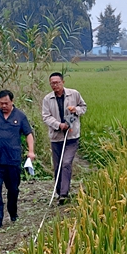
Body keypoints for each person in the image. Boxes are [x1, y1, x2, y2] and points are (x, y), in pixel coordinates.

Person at [0, 90, 36, 230]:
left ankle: (13, 213)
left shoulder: (20, 116)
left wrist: (31, 151)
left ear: (12, 102)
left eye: (6, 103)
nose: (3, 106)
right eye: (1, 103)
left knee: (13, 189)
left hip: (13, 160)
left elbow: (28, 134)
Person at [41, 72, 87, 204]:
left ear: (63, 82)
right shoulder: (47, 99)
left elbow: (83, 107)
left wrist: (76, 110)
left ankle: (63, 193)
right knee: (58, 165)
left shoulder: (74, 94)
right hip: (56, 137)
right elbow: (46, 117)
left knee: (66, 163)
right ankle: (58, 190)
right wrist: (58, 125)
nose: (55, 85)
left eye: (57, 82)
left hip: (72, 136)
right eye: (52, 83)